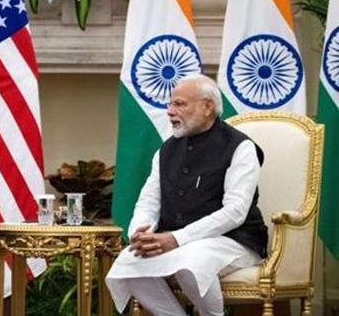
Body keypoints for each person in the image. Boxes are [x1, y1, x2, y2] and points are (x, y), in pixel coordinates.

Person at [105, 74, 268, 316]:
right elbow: (149, 201)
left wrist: (177, 239)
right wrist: (141, 232)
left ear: (207, 106)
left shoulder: (240, 147)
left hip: (235, 240)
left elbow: (235, 212)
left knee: (190, 262)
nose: (170, 111)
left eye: (179, 104)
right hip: (180, 240)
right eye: (170, 104)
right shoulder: (166, 150)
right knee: (129, 262)